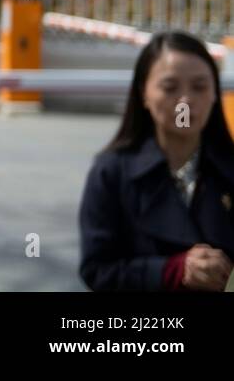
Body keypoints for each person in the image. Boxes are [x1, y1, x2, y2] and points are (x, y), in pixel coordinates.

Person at [79, 30, 234, 291]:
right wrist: (171, 270)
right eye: (170, 87)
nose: (186, 101)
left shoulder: (228, 168)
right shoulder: (112, 172)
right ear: (144, 94)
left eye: (199, 87)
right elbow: (98, 270)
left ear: (215, 93)